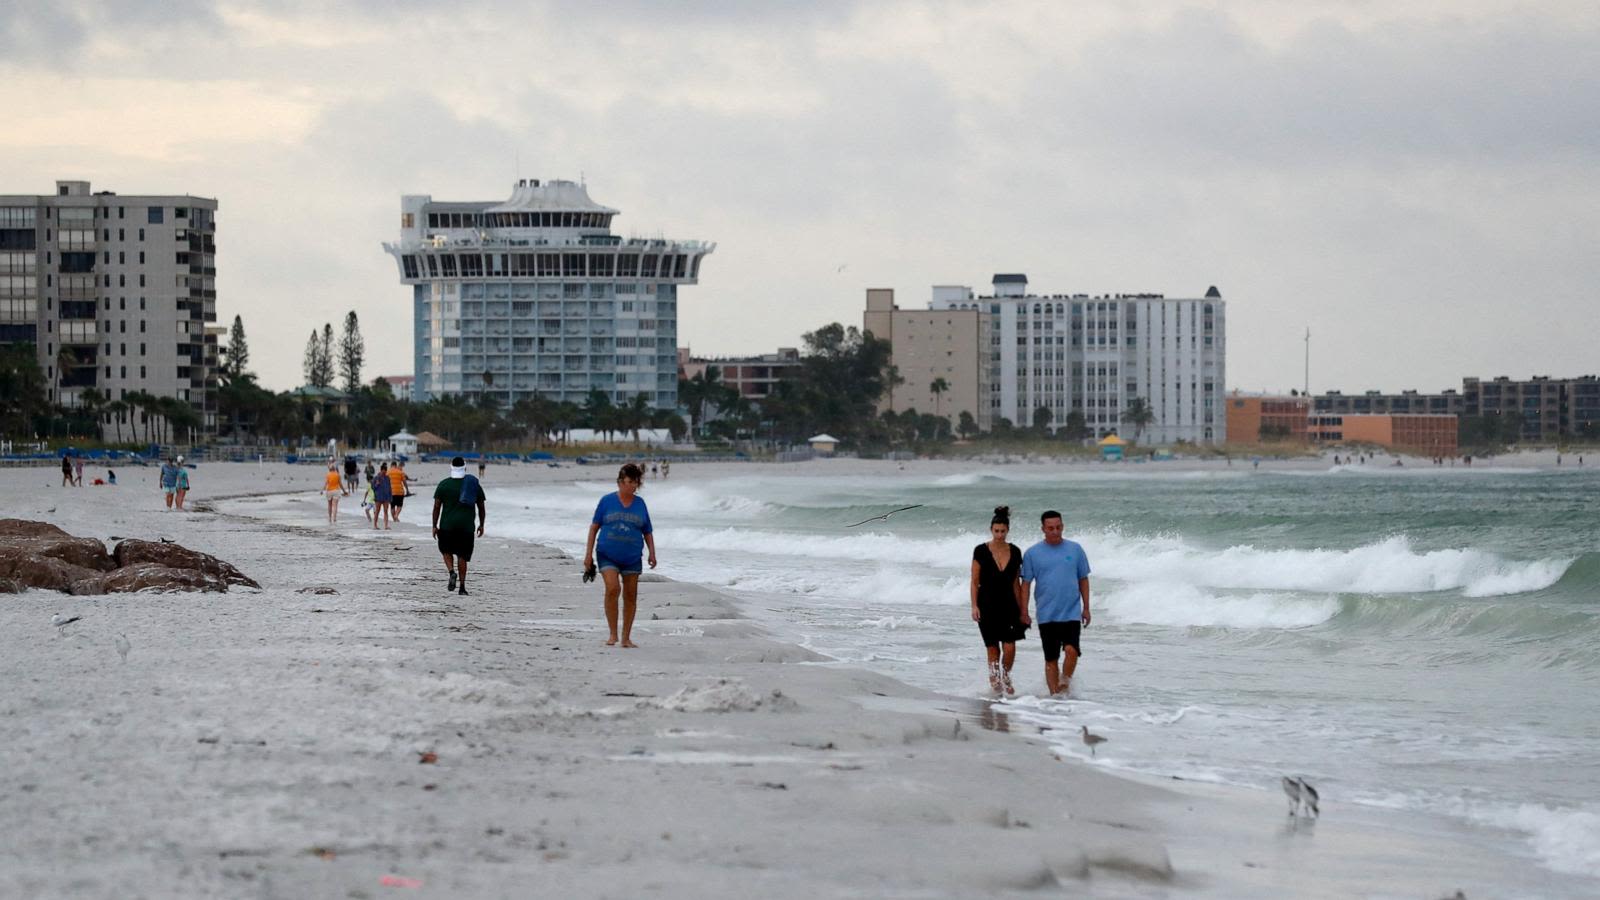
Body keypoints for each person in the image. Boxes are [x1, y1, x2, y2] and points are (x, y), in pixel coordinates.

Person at [583, 462, 656, 648]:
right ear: (620, 482)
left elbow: (647, 531)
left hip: (632, 557)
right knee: (613, 588)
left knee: (630, 596)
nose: (632, 486)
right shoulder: (606, 501)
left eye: (635, 483)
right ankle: (613, 634)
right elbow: (594, 528)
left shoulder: (640, 504)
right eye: (629, 482)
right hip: (607, 554)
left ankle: (626, 638)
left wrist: (652, 553)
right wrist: (588, 555)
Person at [1021, 509, 1092, 696]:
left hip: (1071, 611)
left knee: (1071, 651)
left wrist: (1086, 608)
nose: (1055, 531)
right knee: (1051, 659)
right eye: (1050, 528)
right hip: (1046, 614)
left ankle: (1065, 684)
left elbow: (1083, 579)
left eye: (1058, 527)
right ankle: (1054, 699)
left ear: (1063, 527)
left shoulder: (1075, 549)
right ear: (1043, 529)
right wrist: (1024, 612)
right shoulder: (1032, 554)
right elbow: (1026, 584)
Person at [971, 505, 1030, 695]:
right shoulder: (980, 550)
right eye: (996, 531)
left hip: (1009, 605)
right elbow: (974, 582)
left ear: (1008, 530)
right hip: (986, 604)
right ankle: (995, 683)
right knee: (992, 648)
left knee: (1010, 646)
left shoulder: (1015, 551)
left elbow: (1016, 584)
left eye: (1003, 531)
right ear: (991, 530)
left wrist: (1023, 610)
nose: (999, 535)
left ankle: (1005, 675)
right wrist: (974, 606)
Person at [432, 456, 487, 596]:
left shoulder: (443, 485)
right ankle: (462, 588)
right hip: (467, 527)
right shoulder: (473, 484)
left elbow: (437, 507)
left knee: (446, 550)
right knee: (463, 556)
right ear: (465, 467)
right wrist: (481, 524)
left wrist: (434, 525)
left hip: (447, 526)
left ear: (451, 467)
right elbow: (481, 506)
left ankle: (451, 572)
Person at [371, 461, 392, 529]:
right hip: (378, 497)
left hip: (386, 497)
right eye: (384, 471)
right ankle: (375, 525)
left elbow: (389, 487)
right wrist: (376, 484)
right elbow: (372, 487)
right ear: (382, 470)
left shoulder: (387, 478)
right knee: (377, 511)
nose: (385, 473)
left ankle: (386, 525)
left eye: (386, 471)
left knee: (386, 511)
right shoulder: (376, 477)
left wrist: (390, 497)